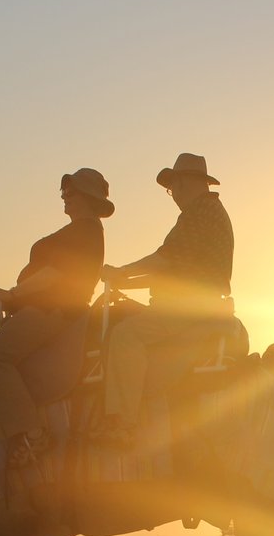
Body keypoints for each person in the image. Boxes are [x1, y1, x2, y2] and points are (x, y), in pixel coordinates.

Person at [0, 168, 112, 465]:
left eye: (70, 192)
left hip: (54, 310)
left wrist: (13, 294)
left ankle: (34, 435)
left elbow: (55, 275)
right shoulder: (84, 230)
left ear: (86, 198)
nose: (64, 197)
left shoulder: (84, 230)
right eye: (64, 192)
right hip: (50, 309)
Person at [96, 152, 234, 443]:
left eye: (173, 187)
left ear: (186, 183)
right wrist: (123, 281)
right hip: (196, 304)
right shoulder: (204, 213)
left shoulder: (200, 213)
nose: (172, 195)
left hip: (188, 309)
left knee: (125, 336)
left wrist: (122, 271)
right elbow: (171, 270)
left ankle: (123, 424)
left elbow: (165, 259)